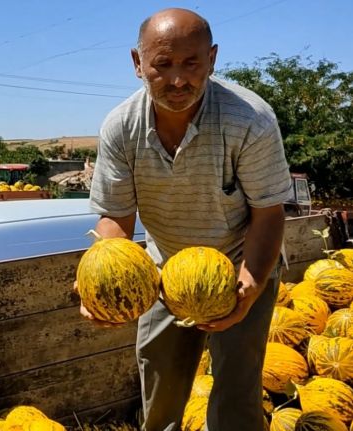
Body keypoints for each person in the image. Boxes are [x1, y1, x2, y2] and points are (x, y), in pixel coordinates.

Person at [83, 8, 291, 431]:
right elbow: (116, 220)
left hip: (243, 263)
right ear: (138, 63)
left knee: (235, 397)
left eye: (191, 63)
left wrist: (247, 289)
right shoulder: (121, 127)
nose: (178, 80)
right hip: (165, 269)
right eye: (162, 65)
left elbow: (269, 215)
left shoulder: (249, 119)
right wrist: (100, 275)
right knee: (159, 392)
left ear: (212, 59)